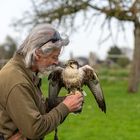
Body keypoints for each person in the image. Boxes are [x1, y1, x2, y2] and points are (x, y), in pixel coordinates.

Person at [0, 24, 84, 140]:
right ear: (38, 53)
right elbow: (35, 129)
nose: (57, 62)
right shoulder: (17, 81)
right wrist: (66, 107)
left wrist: (64, 101)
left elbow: (35, 108)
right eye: (54, 57)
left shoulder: (25, 72)